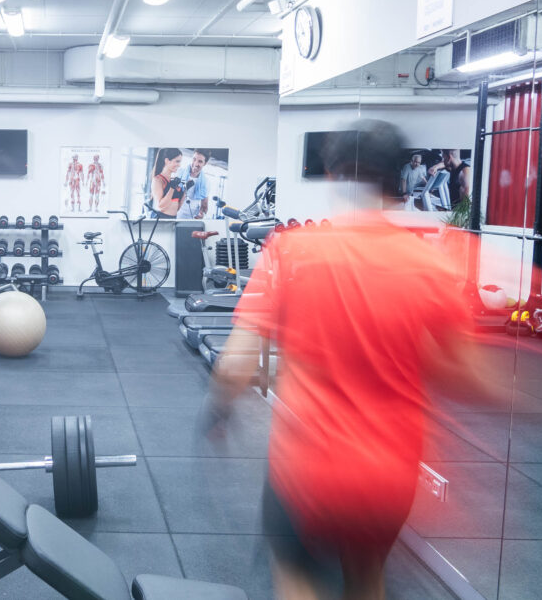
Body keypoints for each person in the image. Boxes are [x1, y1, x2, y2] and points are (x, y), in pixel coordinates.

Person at [206, 120, 498, 600]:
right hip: (390, 471)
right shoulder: (430, 263)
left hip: (309, 469)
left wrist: (217, 408)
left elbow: (237, 363)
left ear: (336, 175)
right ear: (400, 178)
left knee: (296, 578)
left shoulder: (294, 251)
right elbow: (464, 375)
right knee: (366, 580)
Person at [149, 148, 188, 218]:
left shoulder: (173, 181)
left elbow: (177, 208)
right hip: (161, 219)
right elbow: (161, 206)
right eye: (177, 161)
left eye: (180, 162)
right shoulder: (158, 180)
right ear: (167, 161)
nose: (179, 165)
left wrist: (186, 190)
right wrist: (172, 188)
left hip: (173, 219)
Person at [177, 151, 213, 219]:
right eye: (194, 159)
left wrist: (201, 214)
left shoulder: (206, 182)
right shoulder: (179, 172)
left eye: (200, 161)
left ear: (205, 163)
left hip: (192, 218)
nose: (196, 163)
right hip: (175, 214)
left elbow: (204, 206)